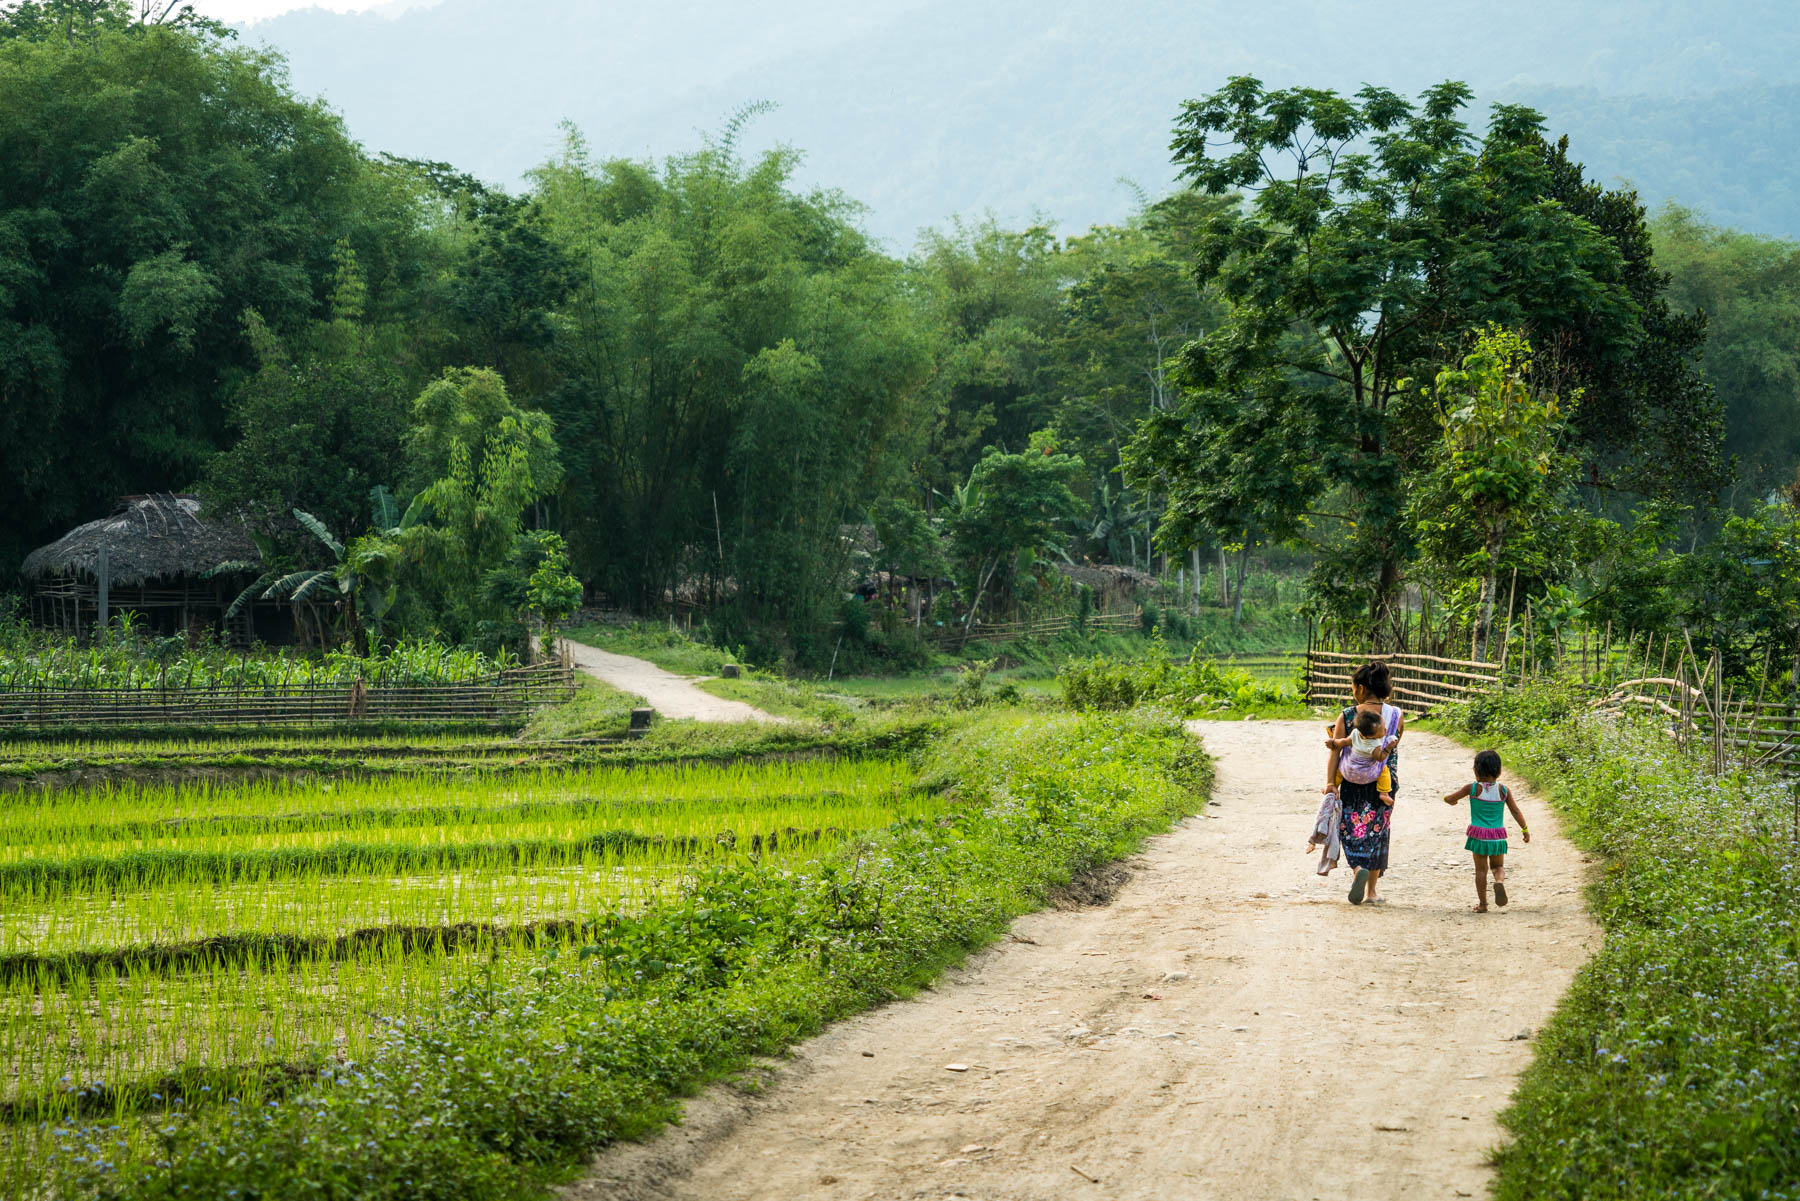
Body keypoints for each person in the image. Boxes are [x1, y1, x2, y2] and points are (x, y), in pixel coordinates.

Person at [1324, 661, 1404, 905]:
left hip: (1351, 782)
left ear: (1360, 688)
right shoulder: (1396, 716)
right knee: (1377, 833)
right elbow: (1392, 747)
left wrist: (1330, 783)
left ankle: (1358, 869)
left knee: (1351, 829)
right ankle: (1371, 892)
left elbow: (1335, 752)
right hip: (1383, 784)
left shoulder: (1348, 715)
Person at [1441, 749, 1530, 912]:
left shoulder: (1472, 788)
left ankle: (1483, 904)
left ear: (1476, 771)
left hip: (1479, 836)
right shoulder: (1503, 790)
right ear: (1499, 771)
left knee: (1481, 871)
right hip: (1497, 836)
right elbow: (1515, 811)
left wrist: (1447, 800)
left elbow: (1450, 798)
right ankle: (1499, 882)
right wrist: (1524, 829)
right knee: (1498, 867)